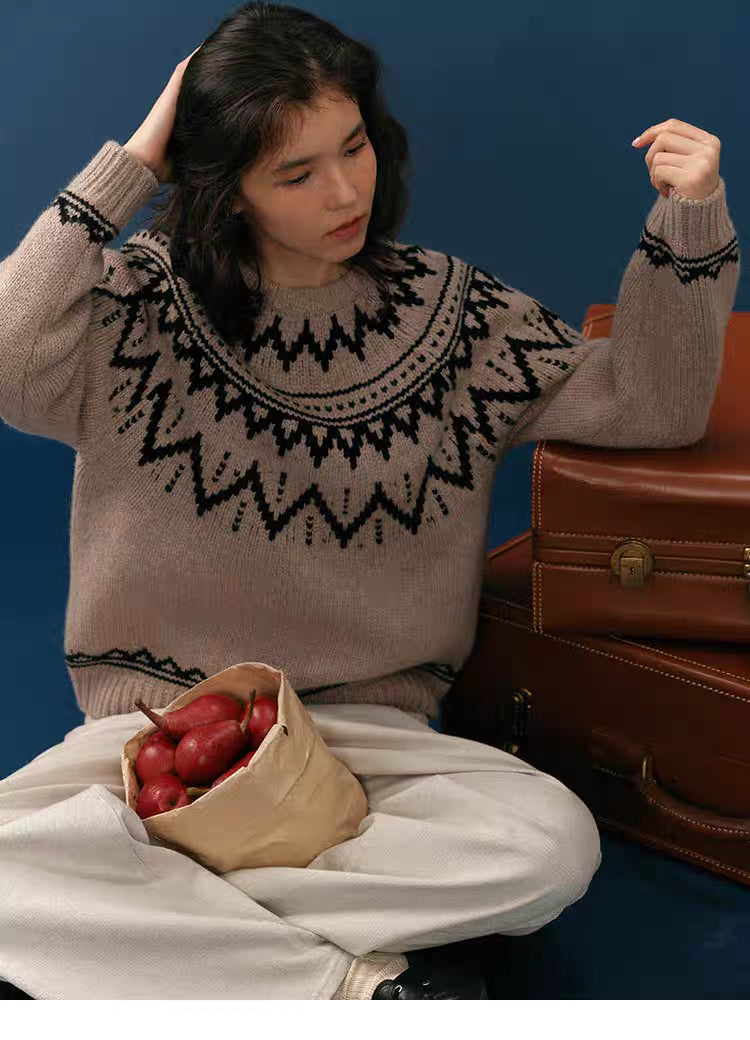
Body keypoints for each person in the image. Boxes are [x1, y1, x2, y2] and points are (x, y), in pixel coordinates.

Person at [0, 0, 739, 1001]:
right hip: (157, 745)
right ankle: (354, 991)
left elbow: (649, 403)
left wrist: (689, 220)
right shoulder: (135, 310)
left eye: (354, 147)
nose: (346, 191)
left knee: (553, 844)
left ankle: (164, 919)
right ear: (224, 189)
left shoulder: (454, 315)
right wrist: (132, 160)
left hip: (367, 749)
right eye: (294, 173)